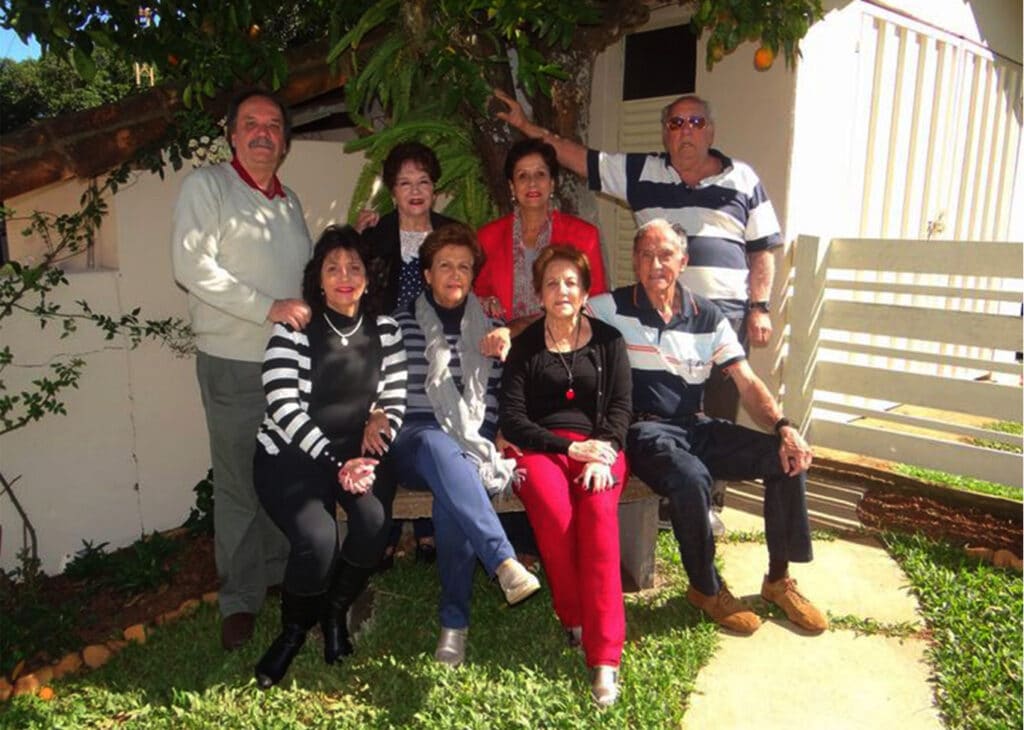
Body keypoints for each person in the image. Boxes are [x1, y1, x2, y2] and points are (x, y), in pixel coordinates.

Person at [494, 88, 783, 523]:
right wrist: (525, 127)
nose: (686, 131)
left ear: (711, 130)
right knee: (656, 404)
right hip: (653, 311)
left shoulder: (742, 177)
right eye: (676, 123)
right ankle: (671, 493)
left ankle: (705, 503)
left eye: (696, 122)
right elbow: (577, 156)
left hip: (720, 315)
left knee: (715, 413)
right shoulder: (641, 171)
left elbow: (763, 248)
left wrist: (760, 305)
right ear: (665, 133)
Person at [586, 219, 827, 635]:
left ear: (684, 260)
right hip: (645, 430)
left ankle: (777, 580)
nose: (655, 264)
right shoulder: (611, 307)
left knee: (783, 457)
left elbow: (746, 381)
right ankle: (705, 587)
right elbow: (559, 313)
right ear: (635, 262)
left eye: (665, 254)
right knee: (691, 477)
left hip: (695, 425)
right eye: (645, 255)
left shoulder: (707, 315)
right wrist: (506, 331)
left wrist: (785, 427)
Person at [171, 89, 312, 650]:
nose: (262, 133)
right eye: (250, 123)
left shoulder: (289, 201)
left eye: (273, 125)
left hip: (289, 367)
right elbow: (190, 266)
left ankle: (276, 574)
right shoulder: (208, 188)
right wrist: (267, 308)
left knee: (281, 474)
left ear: (284, 140)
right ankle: (239, 600)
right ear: (232, 133)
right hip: (233, 362)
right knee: (236, 484)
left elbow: (303, 277)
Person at [252, 226, 407, 687]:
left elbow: (394, 396)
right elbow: (282, 405)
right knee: (318, 542)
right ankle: (294, 632)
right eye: (333, 268)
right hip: (294, 452)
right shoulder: (295, 329)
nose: (344, 276)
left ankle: (335, 612)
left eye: (354, 267)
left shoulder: (386, 329)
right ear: (317, 278)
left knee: (374, 523)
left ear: (367, 277)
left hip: (358, 451)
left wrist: (383, 422)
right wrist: (336, 464)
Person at [390, 222, 541, 667]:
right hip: (412, 441)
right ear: (428, 275)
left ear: (473, 275)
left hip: (470, 446)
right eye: (444, 266)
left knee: (452, 496)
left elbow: (502, 401)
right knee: (439, 447)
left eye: (463, 266)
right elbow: (385, 392)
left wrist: (497, 429)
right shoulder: (398, 326)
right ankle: (502, 560)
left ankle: (453, 625)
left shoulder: (494, 332)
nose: (454, 274)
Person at [499, 245, 632, 707]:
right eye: (552, 283)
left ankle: (604, 656)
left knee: (596, 520)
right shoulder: (526, 347)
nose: (562, 290)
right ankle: (573, 615)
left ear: (586, 291)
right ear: (539, 294)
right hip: (542, 448)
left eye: (571, 282)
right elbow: (513, 421)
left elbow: (619, 409)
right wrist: (566, 446)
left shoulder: (610, 342)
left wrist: (601, 454)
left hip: (601, 448)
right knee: (557, 521)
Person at [358, 141, 458, 563]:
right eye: (404, 183)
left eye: (423, 182)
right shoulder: (374, 234)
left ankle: (429, 527)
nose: (415, 191)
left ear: (434, 188)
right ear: (393, 191)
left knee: (432, 419)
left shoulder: (452, 233)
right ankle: (390, 527)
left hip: (437, 345)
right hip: (385, 344)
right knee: (390, 419)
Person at [475, 138, 608, 332]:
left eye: (540, 174)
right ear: (512, 187)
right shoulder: (487, 236)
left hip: (563, 344)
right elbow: (475, 291)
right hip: (503, 345)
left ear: (552, 183)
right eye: (522, 176)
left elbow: (595, 303)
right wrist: (486, 301)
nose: (532, 183)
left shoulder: (584, 236)